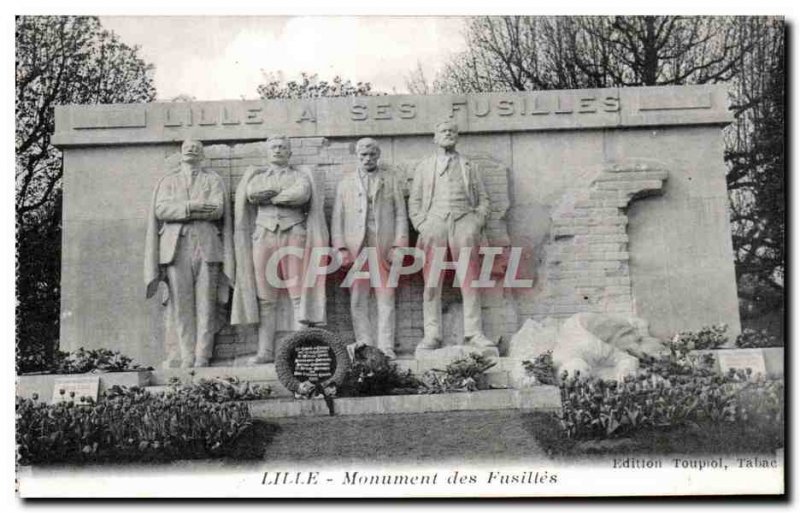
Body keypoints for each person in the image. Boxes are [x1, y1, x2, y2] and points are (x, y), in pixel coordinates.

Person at [231, 135, 328, 364]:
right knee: (266, 297)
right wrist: (279, 194)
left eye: (283, 147)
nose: (278, 150)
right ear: (267, 152)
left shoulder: (299, 176)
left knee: (298, 294)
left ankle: (300, 350)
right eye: (274, 147)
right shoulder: (257, 177)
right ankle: (265, 351)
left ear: (289, 153)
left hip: (294, 233)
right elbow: (252, 194)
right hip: (264, 235)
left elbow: (301, 195)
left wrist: (272, 196)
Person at [144, 139, 234, 368]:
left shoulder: (212, 180)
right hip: (176, 248)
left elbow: (217, 209)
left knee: (206, 304)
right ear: (181, 153)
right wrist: (192, 207)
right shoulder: (169, 180)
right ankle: (186, 356)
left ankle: (203, 355)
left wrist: (184, 208)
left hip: (207, 247)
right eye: (187, 147)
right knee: (181, 306)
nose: (191, 149)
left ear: (202, 154)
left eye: (196, 146)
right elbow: (161, 209)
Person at [408, 120, 494, 350]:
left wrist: (476, 221)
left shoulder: (469, 166)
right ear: (435, 137)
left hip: (464, 221)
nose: (448, 134)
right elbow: (415, 201)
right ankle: (432, 335)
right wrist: (422, 224)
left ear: (457, 137)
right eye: (443, 131)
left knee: (470, 280)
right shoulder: (425, 167)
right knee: (432, 281)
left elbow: (484, 199)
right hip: (434, 223)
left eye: (452, 131)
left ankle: (474, 333)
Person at [331, 138, 408, 360]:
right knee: (358, 298)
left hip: (382, 246)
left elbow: (401, 215)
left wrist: (399, 245)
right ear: (357, 156)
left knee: (386, 296)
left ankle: (386, 346)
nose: (368, 159)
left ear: (378, 156)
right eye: (363, 155)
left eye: (372, 154)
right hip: (357, 249)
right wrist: (341, 248)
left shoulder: (390, 181)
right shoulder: (346, 183)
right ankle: (365, 346)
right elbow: (338, 219)